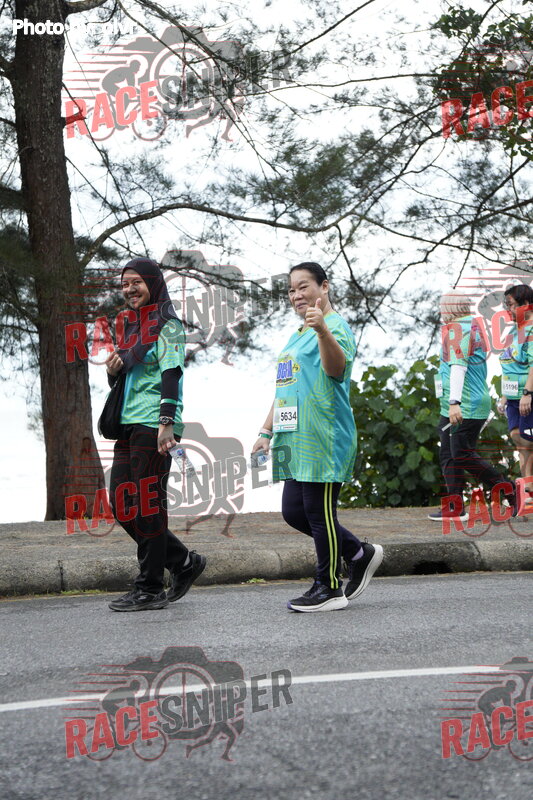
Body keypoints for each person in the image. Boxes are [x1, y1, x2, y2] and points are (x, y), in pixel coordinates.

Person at [252, 262, 383, 612]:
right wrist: (266, 430)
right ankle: (359, 553)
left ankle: (329, 587)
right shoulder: (296, 335)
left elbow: (335, 370)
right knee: (294, 512)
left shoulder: (335, 326)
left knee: (318, 512)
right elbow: (285, 388)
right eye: (291, 290)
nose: (296, 295)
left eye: (303, 286)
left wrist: (323, 330)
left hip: (323, 435)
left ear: (324, 287)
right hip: (294, 437)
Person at [106, 258, 206, 612]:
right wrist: (113, 371)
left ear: (153, 282)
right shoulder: (133, 326)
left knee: (148, 505)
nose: (129, 289)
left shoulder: (168, 324)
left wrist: (166, 423)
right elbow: (128, 379)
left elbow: (171, 374)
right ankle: (182, 562)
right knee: (122, 504)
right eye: (124, 284)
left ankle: (149, 587)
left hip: (154, 424)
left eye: (136, 282)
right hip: (128, 424)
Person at [428, 290, 517, 521]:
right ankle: (455, 506)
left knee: (462, 454)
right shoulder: (470, 325)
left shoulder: (460, 329)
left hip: (464, 404)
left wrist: (454, 403)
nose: (440, 311)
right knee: (448, 454)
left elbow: (459, 368)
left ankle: (508, 488)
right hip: (456, 404)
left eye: (442, 306)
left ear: (451, 308)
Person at [496, 284, 533, 499]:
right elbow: (509, 364)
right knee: (519, 440)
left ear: (526, 304)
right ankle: (527, 490)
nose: (507, 309)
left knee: (528, 441)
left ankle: (528, 489)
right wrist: (504, 396)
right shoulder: (513, 330)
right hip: (512, 397)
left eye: (510, 305)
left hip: (527, 396)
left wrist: (527, 394)